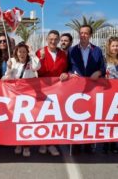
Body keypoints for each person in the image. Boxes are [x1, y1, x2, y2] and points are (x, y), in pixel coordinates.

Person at [68, 25, 106, 154]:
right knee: (76, 117)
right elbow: (67, 67)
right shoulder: (72, 50)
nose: (83, 35)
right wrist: (70, 74)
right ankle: (77, 145)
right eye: (81, 33)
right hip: (76, 89)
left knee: (90, 116)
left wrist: (99, 72)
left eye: (86, 33)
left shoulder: (97, 51)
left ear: (90, 35)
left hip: (92, 89)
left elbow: (103, 67)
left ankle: (89, 145)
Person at [2, 42, 41, 157]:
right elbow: (6, 78)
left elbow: (37, 67)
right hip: (15, 95)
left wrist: (33, 54)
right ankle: (18, 144)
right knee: (17, 120)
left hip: (29, 95)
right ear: (16, 52)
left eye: (24, 52)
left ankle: (26, 146)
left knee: (27, 120)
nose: (22, 54)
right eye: (20, 52)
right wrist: (9, 68)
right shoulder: (12, 62)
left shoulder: (31, 61)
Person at [36, 30, 68, 156]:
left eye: (55, 39)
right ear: (47, 39)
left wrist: (66, 73)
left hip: (57, 90)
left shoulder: (62, 54)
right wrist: (41, 59)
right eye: (51, 39)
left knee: (55, 117)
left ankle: (51, 144)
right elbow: (36, 71)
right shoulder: (40, 52)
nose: (53, 41)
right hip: (43, 90)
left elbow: (66, 69)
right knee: (43, 117)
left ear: (59, 40)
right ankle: (43, 143)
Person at [104, 36, 118, 153]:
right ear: (109, 47)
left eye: (117, 46)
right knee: (108, 119)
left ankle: (114, 144)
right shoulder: (104, 61)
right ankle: (105, 144)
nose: (115, 48)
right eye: (113, 45)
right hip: (108, 94)